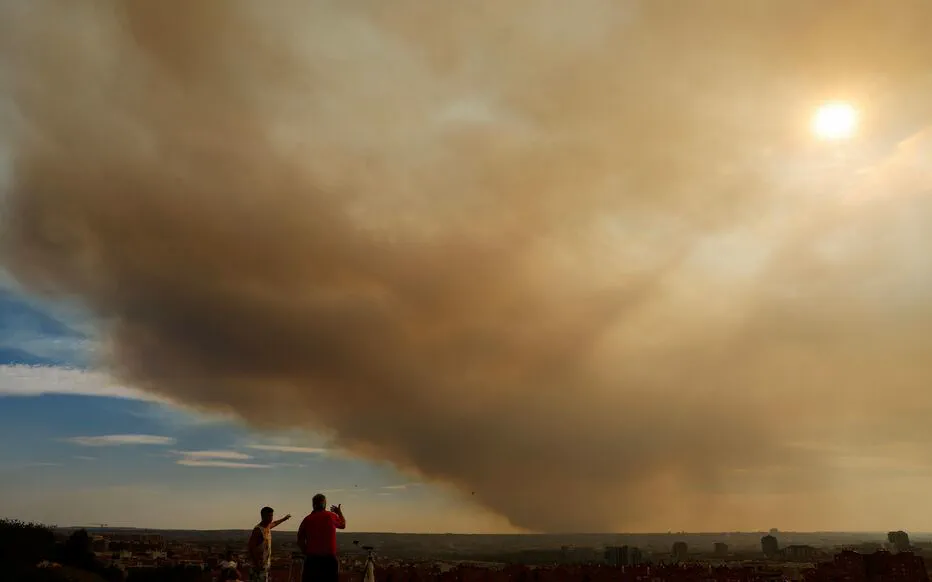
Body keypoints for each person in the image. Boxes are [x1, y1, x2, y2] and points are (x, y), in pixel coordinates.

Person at [297, 494, 346, 582]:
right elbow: (343, 525)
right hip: (329, 559)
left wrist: (306, 552)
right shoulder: (331, 516)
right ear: (324, 504)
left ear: (313, 505)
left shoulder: (307, 519)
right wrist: (339, 513)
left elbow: (300, 540)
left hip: (312, 559)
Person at [247, 506, 292, 582]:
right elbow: (250, 548)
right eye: (269, 516)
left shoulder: (267, 527)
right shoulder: (258, 530)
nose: (271, 518)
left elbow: (275, 523)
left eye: (272, 516)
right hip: (258, 567)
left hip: (265, 566)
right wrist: (257, 565)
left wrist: (284, 519)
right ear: (263, 516)